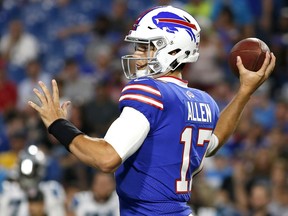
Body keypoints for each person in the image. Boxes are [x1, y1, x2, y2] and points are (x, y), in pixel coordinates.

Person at [28, 5, 276, 216]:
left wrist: (57, 124)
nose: (137, 55)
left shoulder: (149, 90)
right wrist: (244, 93)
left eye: (146, 47)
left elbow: (106, 158)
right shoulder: (205, 102)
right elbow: (213, 143)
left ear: (174, 49)